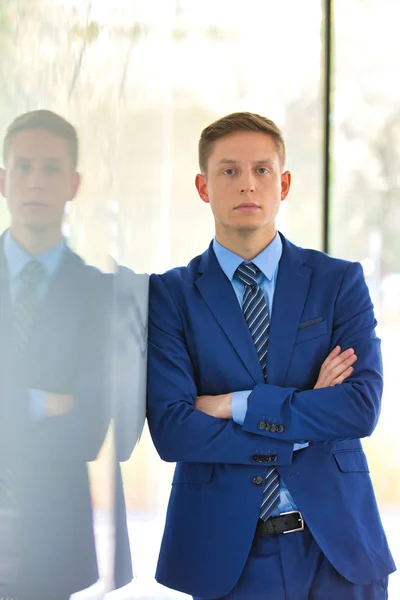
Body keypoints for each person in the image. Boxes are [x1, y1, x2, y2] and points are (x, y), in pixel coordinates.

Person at [147, 112, 396, 599]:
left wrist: (231, 404)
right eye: (229, 171)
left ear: (283, 183)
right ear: (203, 186)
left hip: (338, 548)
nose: (247, 185)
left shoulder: (338, 282)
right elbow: (174, 430)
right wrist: (305, 417)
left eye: (262, 170)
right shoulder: (171, 295)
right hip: (226, 556)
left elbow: (360, 406)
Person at [0, 109, 113, 600]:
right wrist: (42, 401)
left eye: (50, 169)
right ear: (3, 179)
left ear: (74, 183)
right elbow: (68, 409)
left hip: (53, 546)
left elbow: (89, 430)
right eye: (23, 167)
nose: (35, 182)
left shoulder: (100, 296)